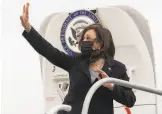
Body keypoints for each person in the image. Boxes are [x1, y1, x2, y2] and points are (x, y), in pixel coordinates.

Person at [20, 3, 136, 114]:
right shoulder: (75, 62)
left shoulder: (117, 68)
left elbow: (130, 100)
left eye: (88, 38)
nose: (84, 41)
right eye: (83, 38)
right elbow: (50, 52)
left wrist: (112, 86)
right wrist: (29, 29)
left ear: (99, 44)